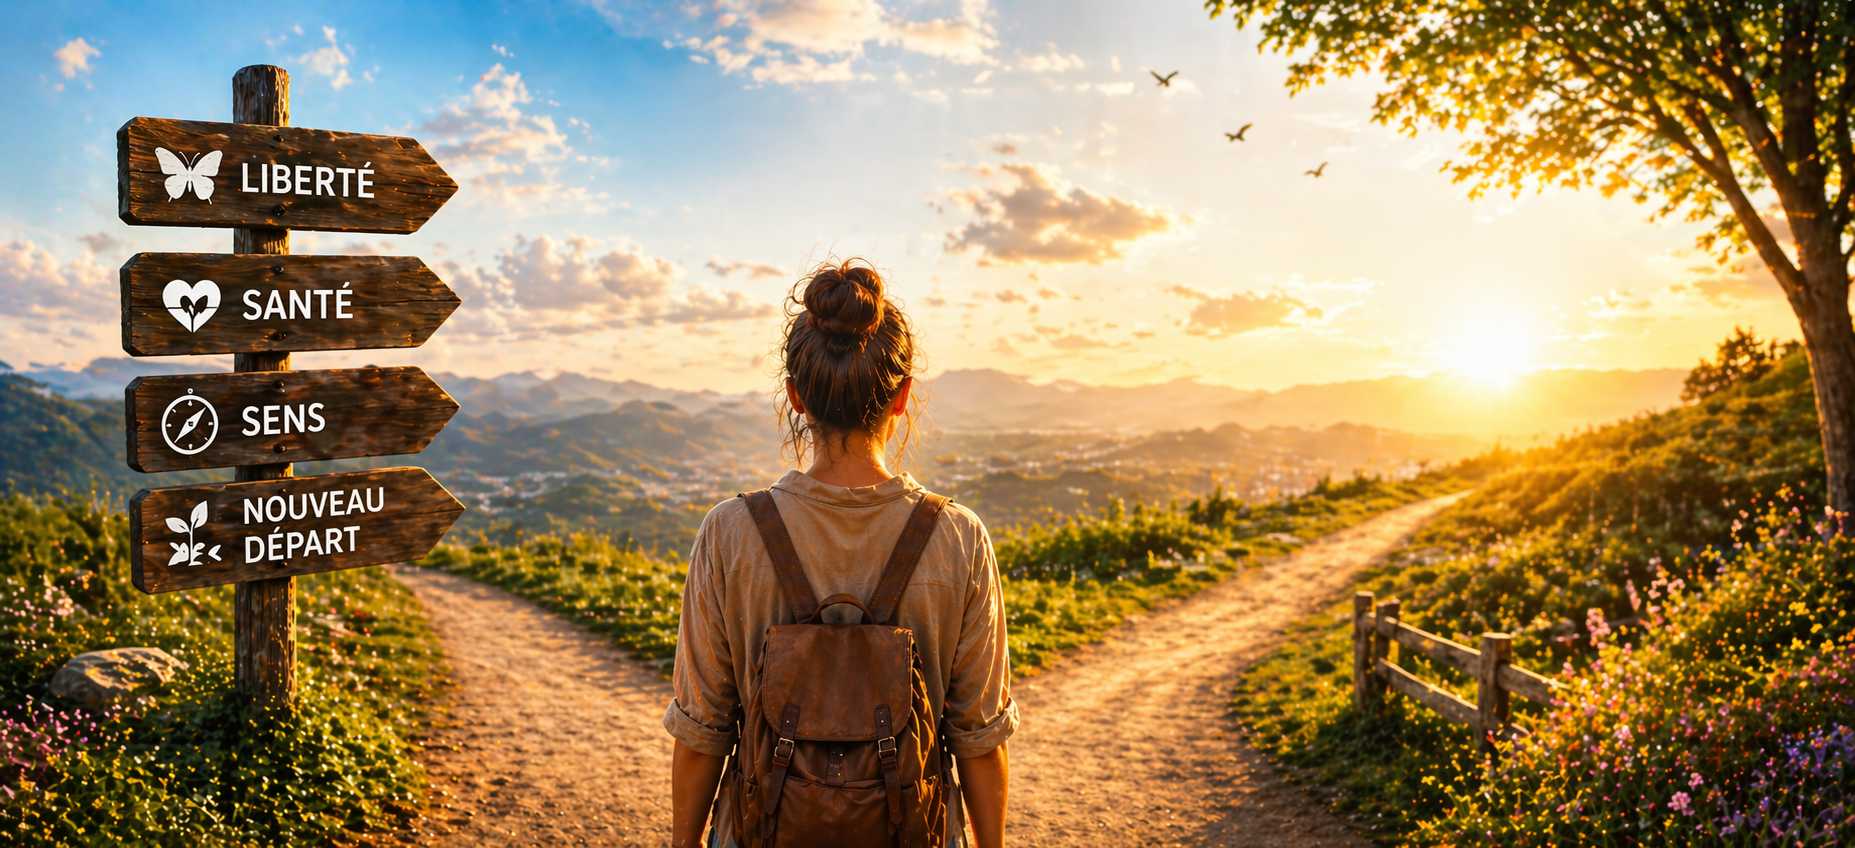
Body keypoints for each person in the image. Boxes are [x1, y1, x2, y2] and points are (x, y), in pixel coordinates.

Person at [664, 258, 1017, 848]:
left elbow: (702, 731)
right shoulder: (958, 536)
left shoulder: (730, 532)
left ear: (796, 397)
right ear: (903, 396)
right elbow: (979, 738)